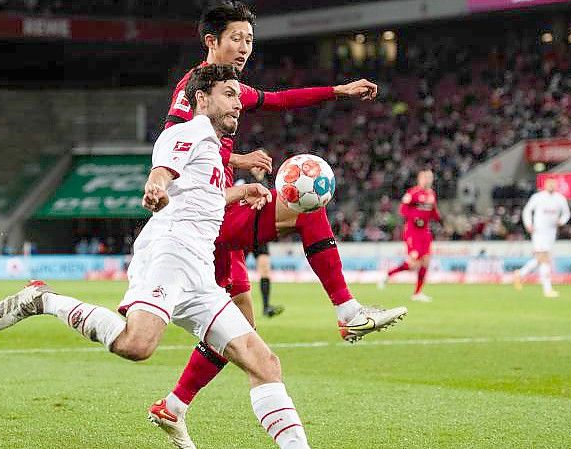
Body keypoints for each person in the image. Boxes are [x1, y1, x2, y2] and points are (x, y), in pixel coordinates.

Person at [0, 64, 313, 449]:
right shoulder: (187, 132)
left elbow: (200, 196)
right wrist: (155, 187)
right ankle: (45, 299)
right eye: (229, 94)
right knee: (137, 345)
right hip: (170, 252)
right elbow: (163, 172)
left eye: (238, 95)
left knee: (264, 363)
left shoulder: (211, 146)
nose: (239, 103)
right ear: (201, 99)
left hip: (199, 271)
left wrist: (240, 193)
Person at [151, 3, 406, 446]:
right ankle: (347, 311)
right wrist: (239, 159)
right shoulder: (192, 90)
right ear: (211, 41)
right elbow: (171, 146)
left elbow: (280, 99)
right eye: (237, 38)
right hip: (204, 215)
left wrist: (338, 91)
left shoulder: (234, 90)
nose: (246, 48)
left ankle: (172, 406)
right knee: (308, 205)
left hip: (217, 225)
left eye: (250, 40)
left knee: (242, 328)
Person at [378, 169, 440, 302]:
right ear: (420, 179)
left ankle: (417, 293)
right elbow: (403, 210)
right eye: (425, 177)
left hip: (425, 232)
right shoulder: (412, 193)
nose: (428, 180)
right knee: (413, 263)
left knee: (426, 261)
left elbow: (433, 212)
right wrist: (415, 217)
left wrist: (440, 220)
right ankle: (388, 275)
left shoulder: (431, 194)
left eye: (430, 177)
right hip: (412, 232)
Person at [236, 164, 284, 317]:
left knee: (265, 268)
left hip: (260, 234)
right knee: (236, 271)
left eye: (262, 165)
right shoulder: (243, 182)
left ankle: (266, 306)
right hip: (244, 233)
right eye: (256, 165)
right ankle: (227, 305)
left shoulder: (268, 184)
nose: (259, 168)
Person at [513, 178, 571, 298]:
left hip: (551, 232)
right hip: (539, 231)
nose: (551, 186)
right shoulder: (538, 197)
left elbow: (566, 213)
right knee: (544, 258)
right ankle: (547, 289)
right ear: (545, 185)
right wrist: (528, 224)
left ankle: (521, 273)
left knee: (542, 258)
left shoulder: (560, 198)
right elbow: (527, 210)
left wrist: (561, 221)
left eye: (553, 184)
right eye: (549, 183)